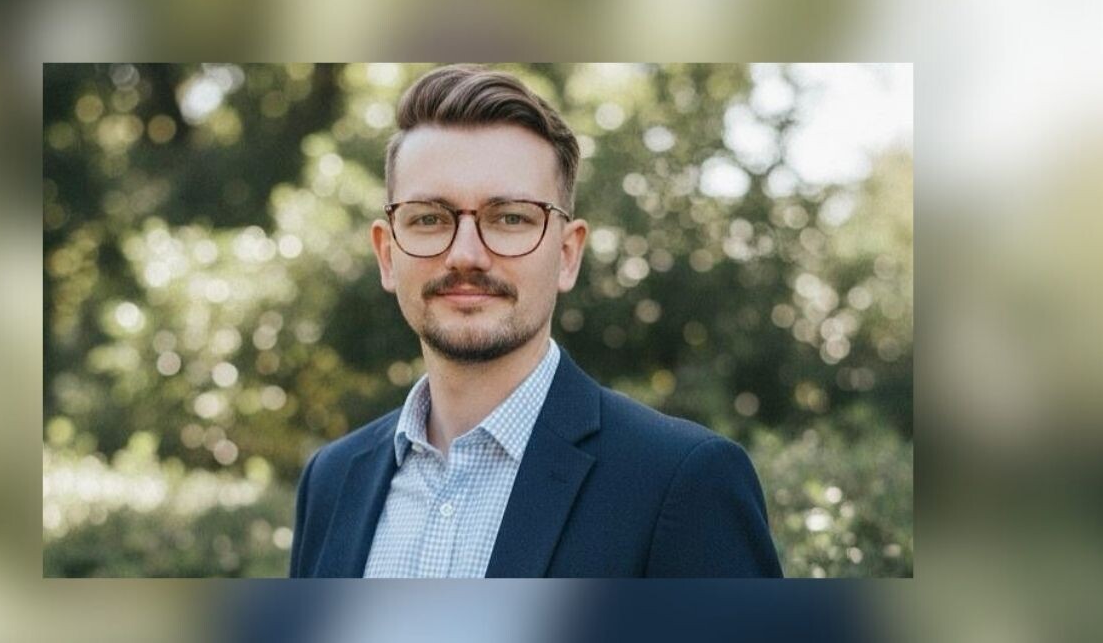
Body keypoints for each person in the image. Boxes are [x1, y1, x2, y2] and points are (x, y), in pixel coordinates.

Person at [289, 64, 782, 578]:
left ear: (568, 254)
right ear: (387, 254)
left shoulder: (684, 482)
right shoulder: (332, 480)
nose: (466, 255)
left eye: (510, 218)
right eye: (429, 218)